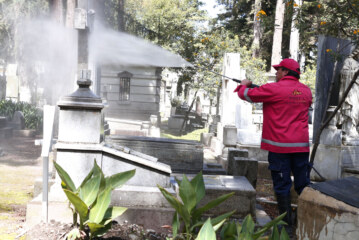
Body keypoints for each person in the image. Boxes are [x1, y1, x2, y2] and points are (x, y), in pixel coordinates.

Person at [234, 58, 312, 235]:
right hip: (301, 148)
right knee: (303, 184)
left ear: (285, 72)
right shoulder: (306, 91)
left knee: (282, 185)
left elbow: (245, 95)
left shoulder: (274, 89)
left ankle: (285, 226)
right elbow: (291, 98)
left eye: (278, 70)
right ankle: (306, 221)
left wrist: (245, 84)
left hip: (280, 148)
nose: (276, 73)